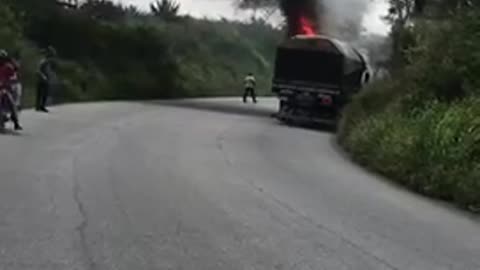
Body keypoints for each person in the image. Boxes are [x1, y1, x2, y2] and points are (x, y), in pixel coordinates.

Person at [0, 50, 22, 130]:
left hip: (5, 88)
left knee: (11, 102)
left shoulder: (8, 67)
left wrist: (10, 81)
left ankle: (16, 123)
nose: (0, 60)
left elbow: (13, 76)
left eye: (1, 58)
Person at [36, 46, 57, 113]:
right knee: (41, 93)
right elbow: (38, 70)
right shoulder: (43, 60)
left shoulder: (47, 61)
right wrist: (43, 76)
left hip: (46, 78)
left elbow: (48, 70)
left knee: (44, 93)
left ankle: (41, 106)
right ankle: (39, 106)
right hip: (42, 79)